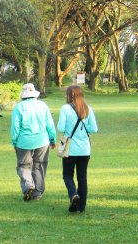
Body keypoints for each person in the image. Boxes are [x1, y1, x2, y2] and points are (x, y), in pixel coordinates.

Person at [11, 83, 56, 201]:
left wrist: (14, 142)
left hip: (24, 142)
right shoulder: (43, 105)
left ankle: (28, 186)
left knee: (23, 165)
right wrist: (52, 139)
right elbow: (50, 124)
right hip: (42, 141)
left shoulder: (19, 107)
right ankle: (37, 193)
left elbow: (15, 127)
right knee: (40, 165)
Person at [57, 85, 98, 213]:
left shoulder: (65, 108)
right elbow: (94, 128)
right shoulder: (88, 108)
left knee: (67, 175)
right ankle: (81, 206)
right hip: (85, 149)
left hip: (70, 149)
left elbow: (60, 127)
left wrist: (69, 130)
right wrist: (83, 129)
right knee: (82, 177)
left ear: (70, 95)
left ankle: (73, 194)